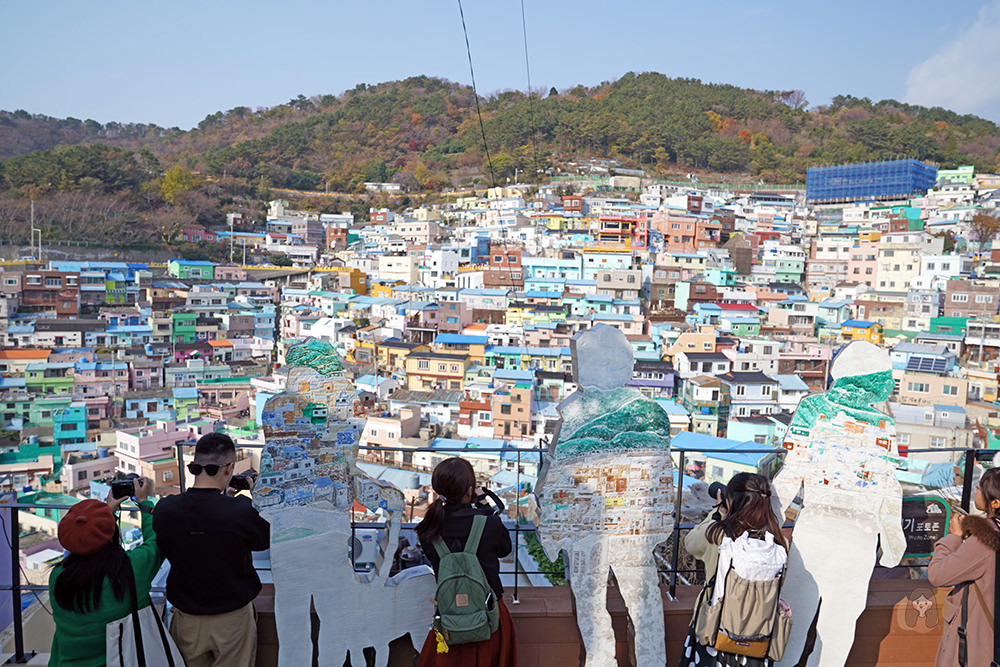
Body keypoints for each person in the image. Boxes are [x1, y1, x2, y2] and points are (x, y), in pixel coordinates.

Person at [153, 432, 270, 667]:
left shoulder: (166, 510)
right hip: (232, 620)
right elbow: (263, 540)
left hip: (186, 619)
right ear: (229, 468)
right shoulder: (241, 512)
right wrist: (257, 497)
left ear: (193, 467)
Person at [414, 457, 516, 667]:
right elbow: (505, 550)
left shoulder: (427, 530)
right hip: (489, 615)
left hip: (450, 618)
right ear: (469, 490)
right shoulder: (489, 524)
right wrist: (484, 506)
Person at [49, 477, 159, 667]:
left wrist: (105, 513)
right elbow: (156, 542)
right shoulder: (131, 569)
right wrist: (144, 502)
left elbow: (86, 541)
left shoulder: (58, 577)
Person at [682, 473, 788, 667]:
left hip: (715, 631)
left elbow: (690, 544)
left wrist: (718, 513)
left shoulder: (718, 534)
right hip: (759, 638)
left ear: (732, 499)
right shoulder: (778, 543)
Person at [929, 466, 1000, 667]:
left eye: (979, 487)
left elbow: (938, 575)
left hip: (980, 647)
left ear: (995, 502)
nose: (976, 490)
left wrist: (954, 536)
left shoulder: (985, 540)